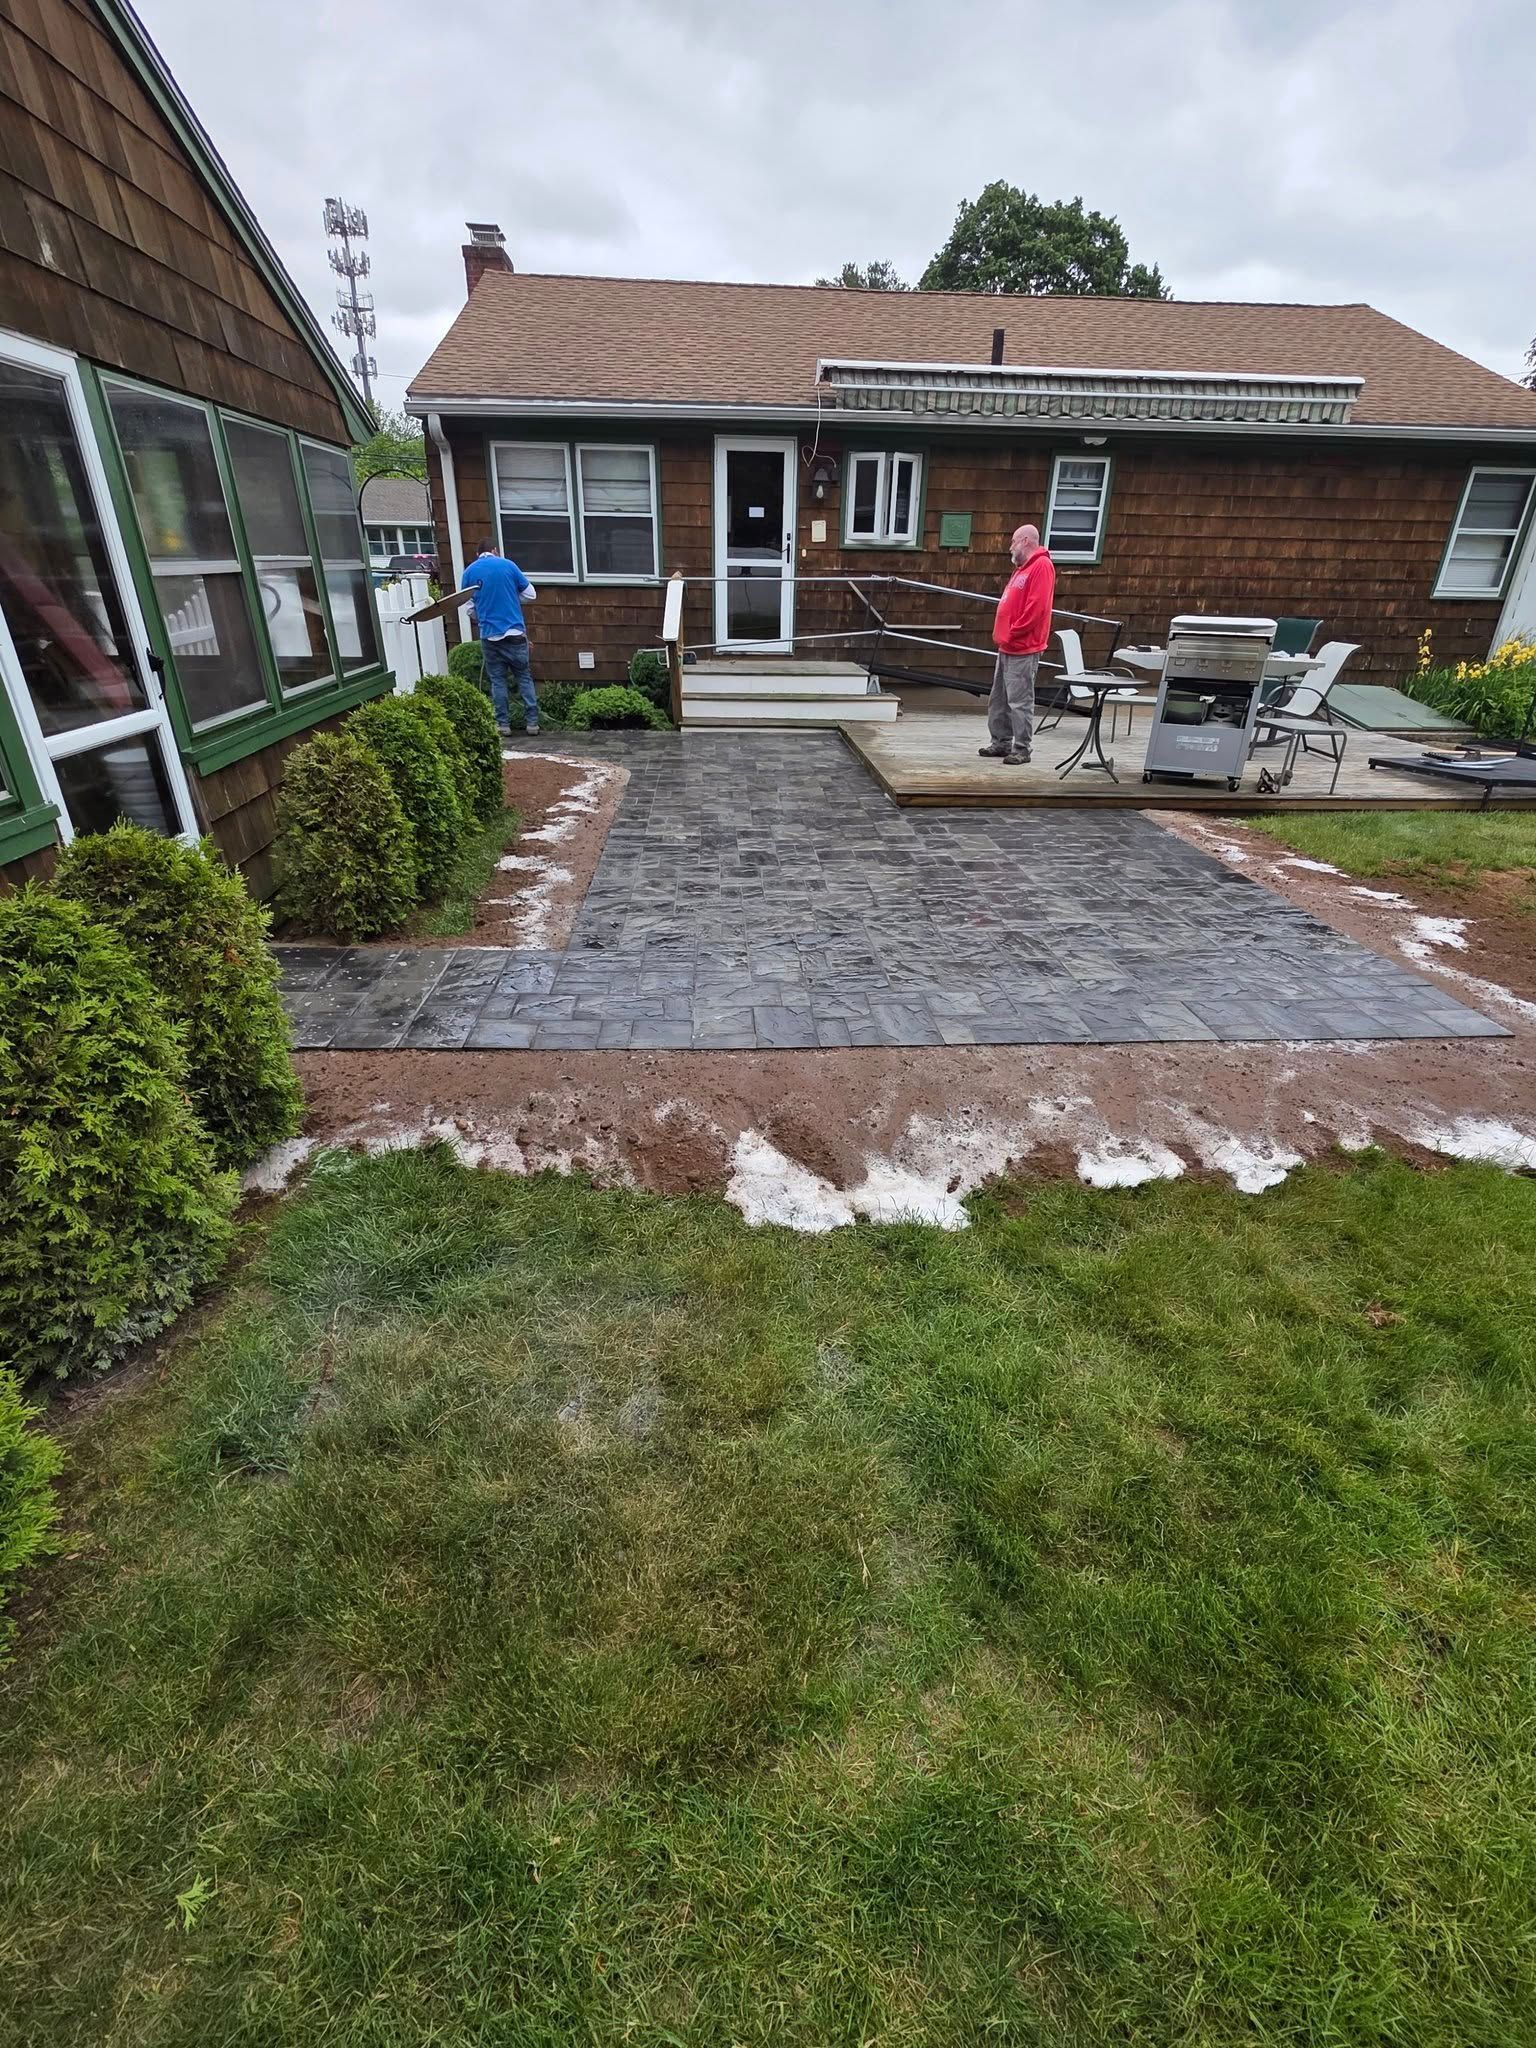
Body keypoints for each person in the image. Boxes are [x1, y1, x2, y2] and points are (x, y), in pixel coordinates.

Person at [981, 523, 1056, 765]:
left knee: (1019, 700)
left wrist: (1013, 632)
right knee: (999, 699)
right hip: (1006, 646)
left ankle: (1022, 748)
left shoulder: (1041, 566)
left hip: (1023, 647)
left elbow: (1036, 608)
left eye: (1013, 541)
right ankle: (1001, 742)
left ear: (1025, 541)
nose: (1010, 546)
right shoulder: (1021, 569)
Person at [460, 540, 540, 737]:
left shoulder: (469, 572)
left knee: (498, 681)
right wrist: (513, 598)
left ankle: (503, 724)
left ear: (477, 553)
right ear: (494, 551)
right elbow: (531, 595)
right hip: (515, 633)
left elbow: (469, 608)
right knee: (524, 677)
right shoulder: (508, 565)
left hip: (490, 635)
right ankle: (532, 723)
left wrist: (485, 615)